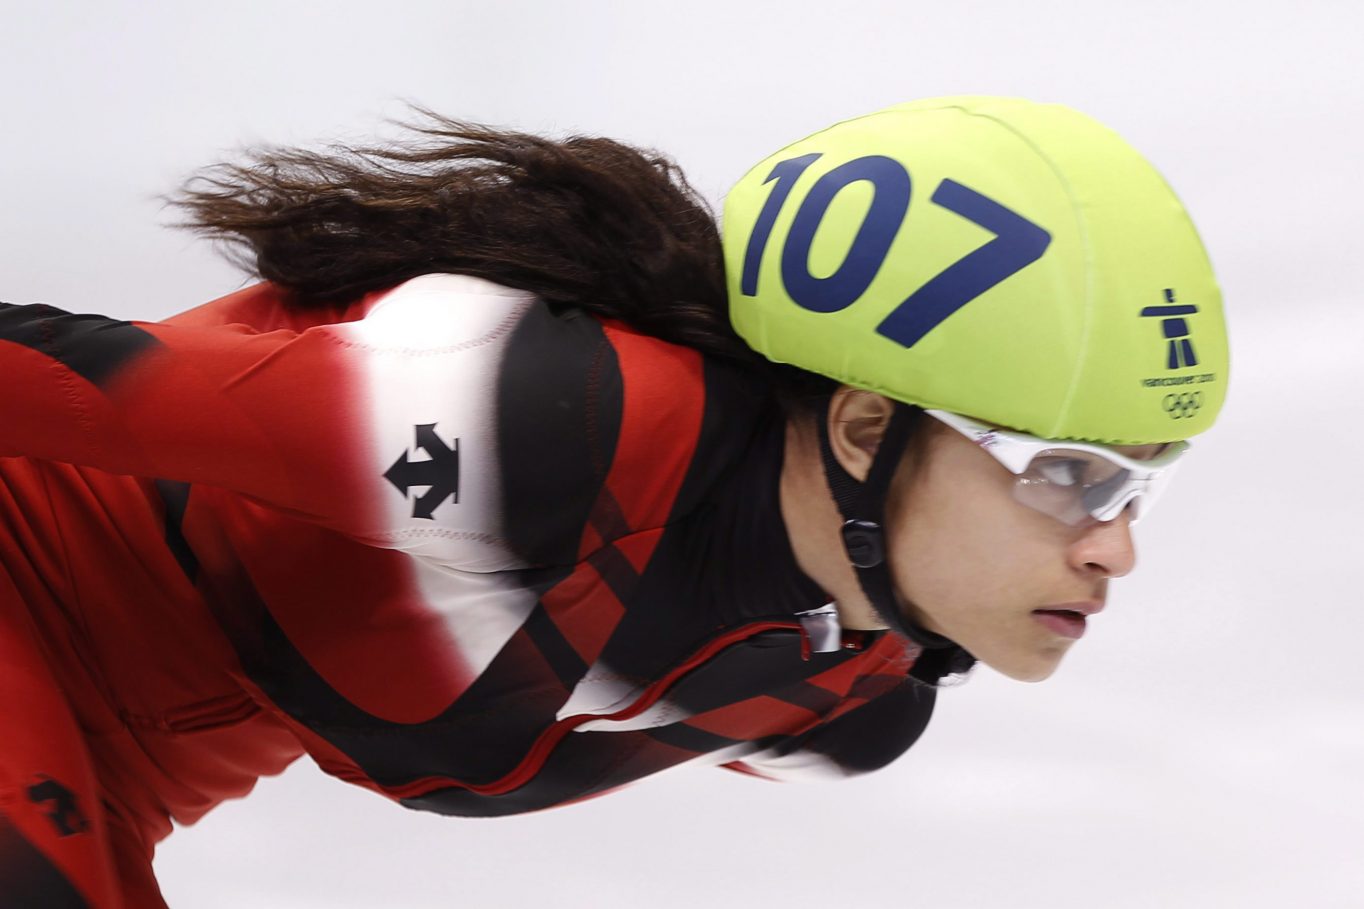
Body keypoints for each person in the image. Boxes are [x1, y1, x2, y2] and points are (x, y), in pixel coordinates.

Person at [0, 95, 1227, 908]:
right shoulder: (545, 423)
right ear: (863, 424)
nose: (1113, 547)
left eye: (1137, 488)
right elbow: (53, 382)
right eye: (1065, 473)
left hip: (122, 779)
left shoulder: (848, 707)